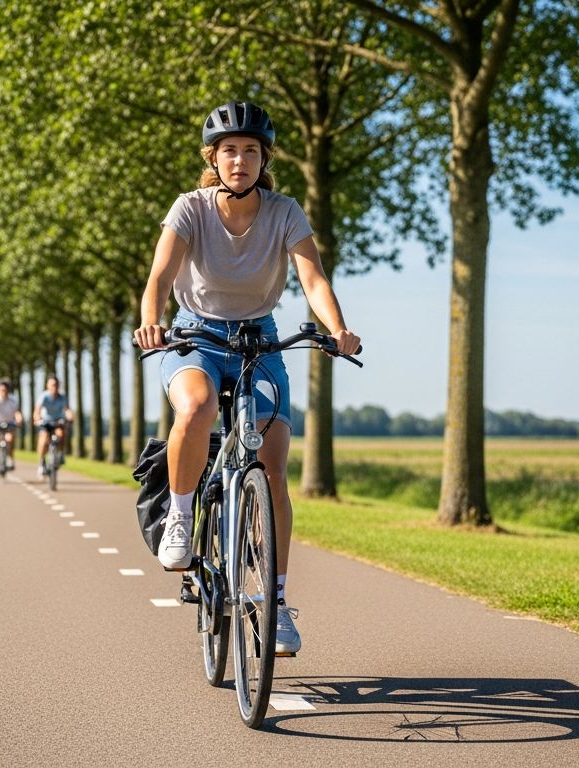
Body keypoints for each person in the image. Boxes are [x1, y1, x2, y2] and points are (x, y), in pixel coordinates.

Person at [133, 101, 360, 656]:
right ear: (214, 158)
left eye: (251, 151)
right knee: (196, 405)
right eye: (230, 151)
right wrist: (151, 322)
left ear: (265, 160)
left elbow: (312, 276)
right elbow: (161, 274)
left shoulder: (285, 212)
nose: (241, 160)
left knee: (273, 466)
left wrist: (338, 329)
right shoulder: (189, 209)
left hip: (259, 336)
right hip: (195, 334)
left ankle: (275, 603)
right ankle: (181, 520)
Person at [35, 376, 72, 477]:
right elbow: (37, 410)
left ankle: (61, 454)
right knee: (43, 439)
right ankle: (42, 462)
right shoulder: (44, 396)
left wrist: (70, 416)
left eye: (56, 385)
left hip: (57, 421)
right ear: (48, 386)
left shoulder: (62, 397)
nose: (54, 387)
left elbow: (67, 410)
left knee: (62, 433)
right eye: (52, 385)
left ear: (58, 386)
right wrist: (37, 419)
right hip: (45, 421)